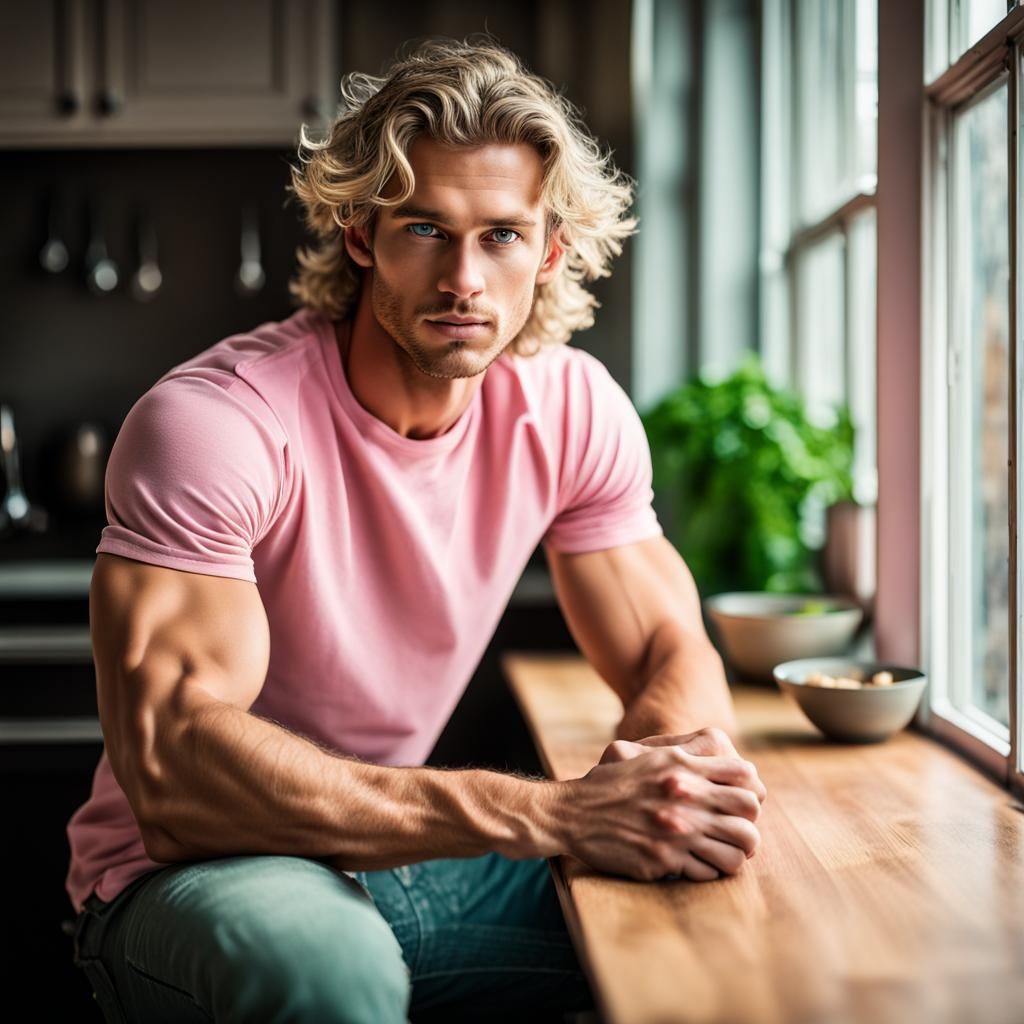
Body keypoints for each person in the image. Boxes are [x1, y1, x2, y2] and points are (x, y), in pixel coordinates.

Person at [66, 37, 768, 1024]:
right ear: (361, 235)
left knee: (727, 917)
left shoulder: (567, 408)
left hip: (402, 858)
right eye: (428, 230)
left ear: (551, 249)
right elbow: (179, 779)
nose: (464, 280)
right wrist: (560, 813)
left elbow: (665, 643)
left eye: (502, 236)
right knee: (331, 976)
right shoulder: (219, 423)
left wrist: (661, 788)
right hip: (200, 874)